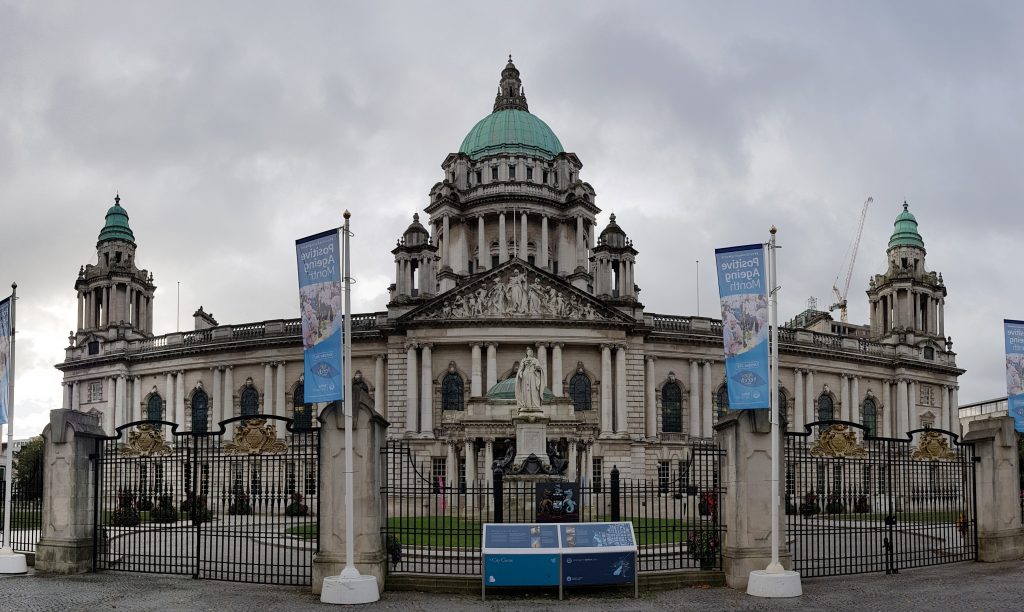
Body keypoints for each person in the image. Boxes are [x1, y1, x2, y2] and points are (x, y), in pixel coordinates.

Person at [515, 347, 543, 412]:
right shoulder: (523, 360)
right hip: (525, 376)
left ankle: (535, 405)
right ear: (527, 353)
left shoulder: (535, 360)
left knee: (534, 390)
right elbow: (521, 369)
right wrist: (520, 374)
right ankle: (526, 405)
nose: (530, 353)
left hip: (533, 375)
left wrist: (536, 367)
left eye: (531, 352)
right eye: (529, 352)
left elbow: (539, 368)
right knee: (526, 390)